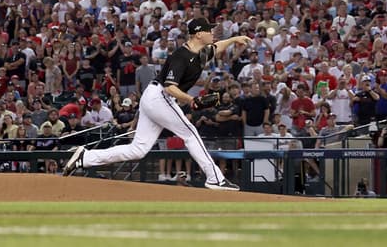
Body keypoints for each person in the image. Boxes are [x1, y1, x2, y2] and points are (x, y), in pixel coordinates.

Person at [63, 18, 251, 191]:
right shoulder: (181, 56)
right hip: (160, 96)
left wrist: (235, 39)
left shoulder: (200, 52)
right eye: (209, 31)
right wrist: (191, 100)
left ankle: (86, 157)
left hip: (155, 98)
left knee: (138, 149)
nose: (212, 33)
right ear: (199, 34)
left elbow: (217, 47)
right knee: (191, 133)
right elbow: (170, 87)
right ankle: (214, 178)